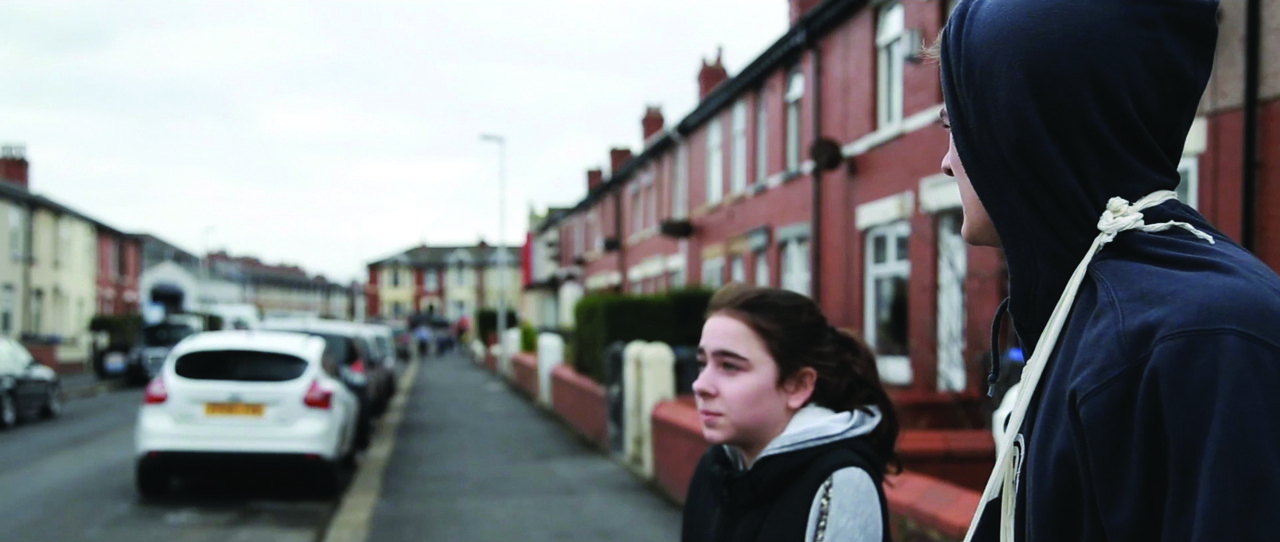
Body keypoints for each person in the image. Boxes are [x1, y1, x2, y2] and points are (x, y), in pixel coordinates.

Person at [937, 0, 1280, 540]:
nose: (947, 160)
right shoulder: (1095, 312)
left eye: (955, 124)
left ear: (1026, 125)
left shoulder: (1203, 337)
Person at [681, 285, 897, 542]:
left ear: (798, 385)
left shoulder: (840, 482)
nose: (700, 385)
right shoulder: (714, 469)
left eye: (729, 366)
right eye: (703, 364)